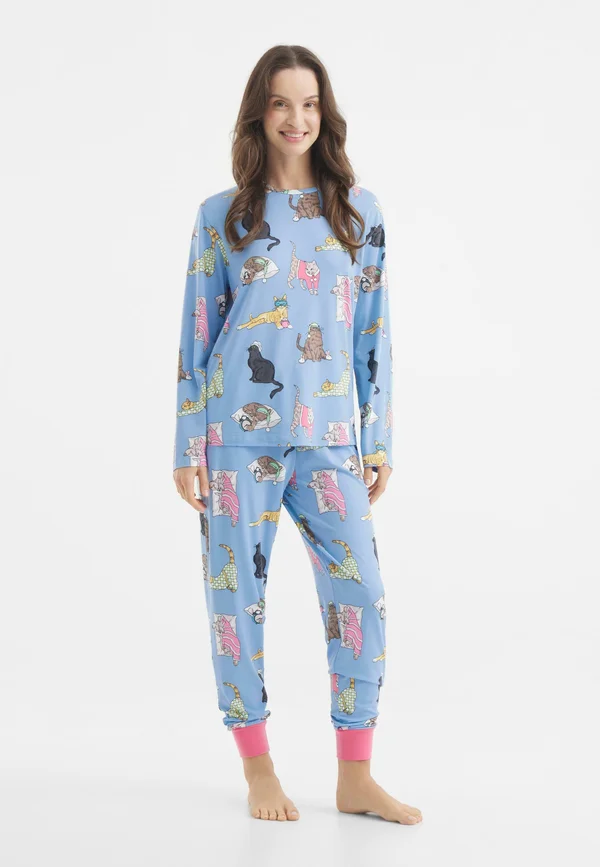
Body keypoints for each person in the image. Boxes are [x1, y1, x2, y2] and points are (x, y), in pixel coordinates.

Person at [173, 45, 422, 826]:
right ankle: (258, 768)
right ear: (260, 112)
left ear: (325, 113)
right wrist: (187, 445)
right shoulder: (222, 217)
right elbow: (197, 333)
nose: (296, 118)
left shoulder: (359, 214)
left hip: (329, 437)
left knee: (363, 593)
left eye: (309, 103)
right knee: (235, 600)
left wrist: (376, 438)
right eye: (281, 103)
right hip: (234, 439)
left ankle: (356, 775)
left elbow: (374, 334)